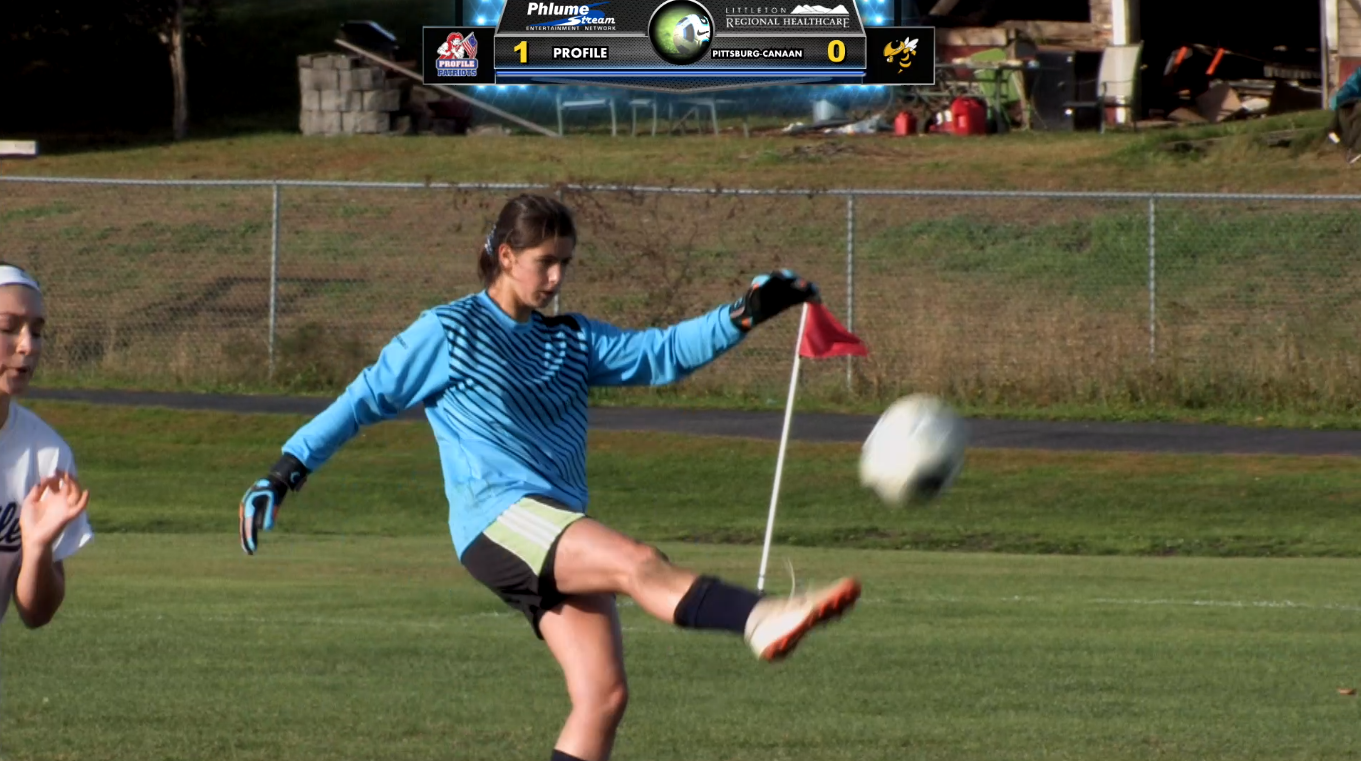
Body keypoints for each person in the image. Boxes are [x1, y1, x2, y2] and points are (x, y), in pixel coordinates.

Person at [238, 194, 861, 761]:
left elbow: (660, 353)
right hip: (500, 519)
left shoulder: (570, 338)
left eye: (566, 262)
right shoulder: (448, 330)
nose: (557, 277)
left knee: (603, 697)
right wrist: (285, 471)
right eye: (545, 262)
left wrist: (742, 315)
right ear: (505, 257)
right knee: (636, 561)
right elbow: (363, 399)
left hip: (555, 528)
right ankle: (760, 618)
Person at [0, 263, 95, 742]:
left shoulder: (47, 456)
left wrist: (36, 548)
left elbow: (36, 614)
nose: (27, 346)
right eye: (8, 328)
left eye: (37, 331)